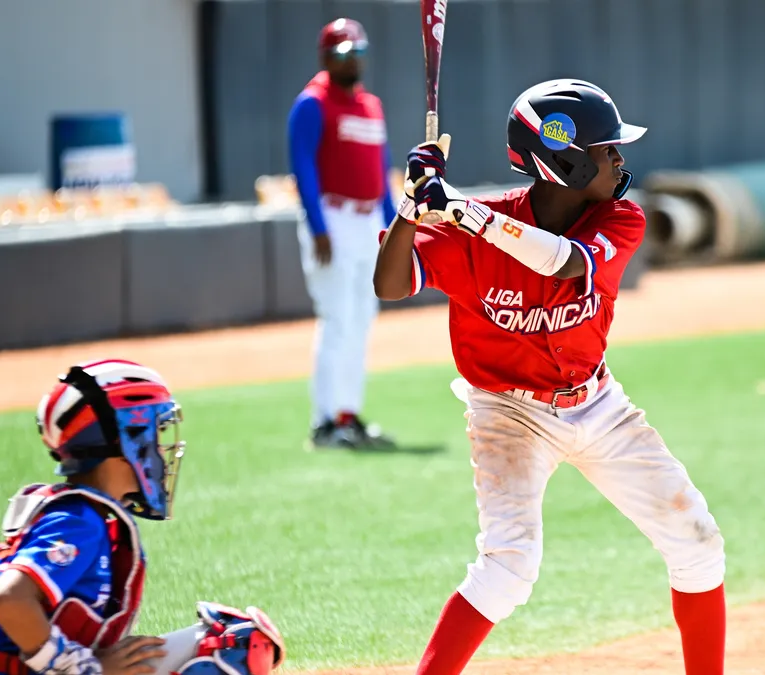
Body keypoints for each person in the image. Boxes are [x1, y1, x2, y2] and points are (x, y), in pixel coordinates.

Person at [374, 79, 727, 675]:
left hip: (598, 405)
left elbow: (563, 264)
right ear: (564, 162)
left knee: (697, 543)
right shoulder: (472, 230)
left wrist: (461, 210)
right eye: (606, 150)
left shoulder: (620, 219)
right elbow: (390, 283)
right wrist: (410, 208)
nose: (619, 161)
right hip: (507, 413)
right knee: (508, 568)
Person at [0, 359, 285, 675]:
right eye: (154, 434)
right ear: (129, 438)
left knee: (235, 636)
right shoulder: (78, 521)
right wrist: (84, 668)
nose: (161, 450)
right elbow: (7, 600)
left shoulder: (78, 512)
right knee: (238, 642)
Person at [287, 17, 397, 450]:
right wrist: (318, 226)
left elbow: (381, 172)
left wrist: (392, 227)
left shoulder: (371, 105)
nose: (353, 61)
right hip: (332, 217)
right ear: (326, 57)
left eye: (358, 52)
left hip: (368, 221)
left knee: (362, 319)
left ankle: (348, 414)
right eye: (344, 53)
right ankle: (324, 422)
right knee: (336, 320)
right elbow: (303, 166)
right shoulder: (312, 104)